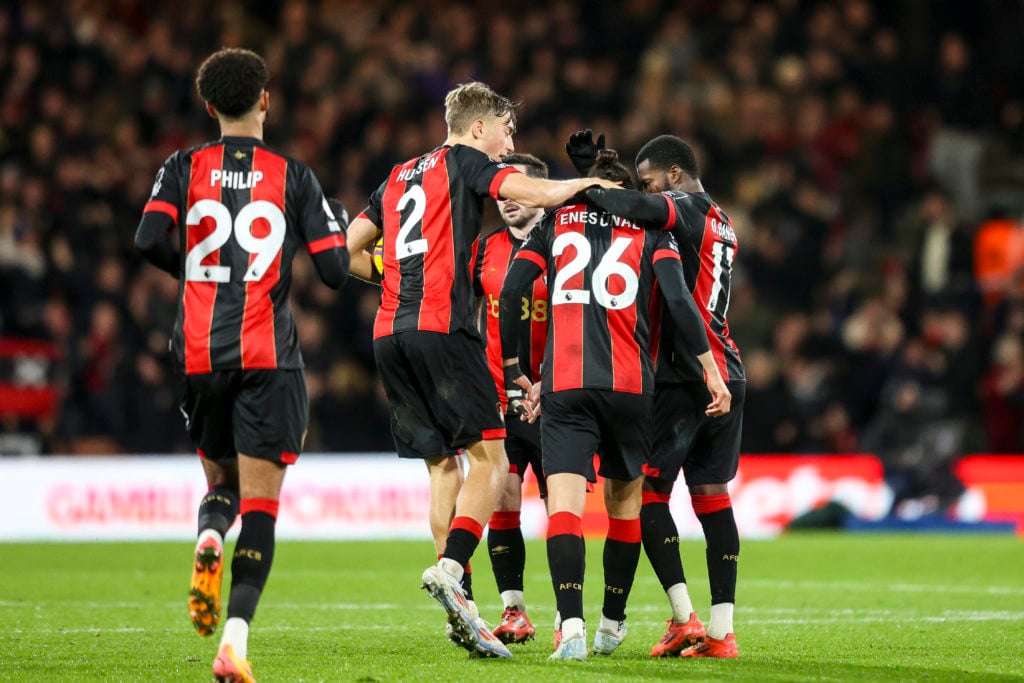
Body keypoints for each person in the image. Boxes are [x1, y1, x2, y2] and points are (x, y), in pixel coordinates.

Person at [344, 81, 618, 659]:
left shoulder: (397, 176)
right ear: (477, 128)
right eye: (505, 129)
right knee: (491, 459)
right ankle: (450, 568)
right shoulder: (467, 161)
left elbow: (351, 248)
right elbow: (531, 190)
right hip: (444, 327)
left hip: (390, 330)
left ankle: (462, 608)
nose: (508, 140)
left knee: (445, 469)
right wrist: (588, 183)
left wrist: (392, 277)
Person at [134, 48, 350, 683]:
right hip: (267, 356)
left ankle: (208, 536)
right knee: (261, 507)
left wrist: (194, 276)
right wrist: (332, 223)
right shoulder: (293, 176)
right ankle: (233, 643)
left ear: (209, 108)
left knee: (219, 487)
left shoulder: (183, 165)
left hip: (198, 353)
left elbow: (147, 238)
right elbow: (336, 274)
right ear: (265, 100)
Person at [499, 150, 730, 662]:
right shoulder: (653, 231)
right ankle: (610, 624)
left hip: (565, 383)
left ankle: (573, 627)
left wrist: (518, 370)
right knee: (624, 508)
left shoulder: (557, 221)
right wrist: (710, 369)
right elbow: (678, 301)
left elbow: (516, 286)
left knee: (565, 509)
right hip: (630, 387)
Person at [580, 133, 746, 658]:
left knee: (647, 494)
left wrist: (587, 184)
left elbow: (631, 206)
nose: (648, 193)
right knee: (712, 497)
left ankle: (683, 617)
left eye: (651, 181)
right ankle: (722, 633)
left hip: (683, 375)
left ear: (674, 177)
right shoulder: (723, 219)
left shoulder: (686, 207)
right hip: (728, 369)